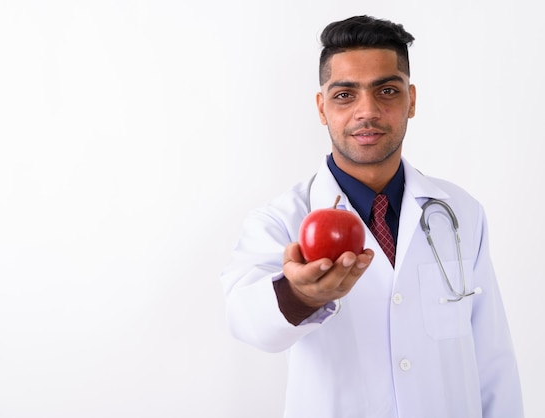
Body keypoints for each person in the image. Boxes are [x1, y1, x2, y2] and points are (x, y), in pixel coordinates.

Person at [220, 15, 523, 418]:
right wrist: (301, 296)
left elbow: (492, 357)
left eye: (387, 90)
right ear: (322, 107)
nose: (368, 111)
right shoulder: (282, 220)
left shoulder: (460, 212)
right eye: (345, 95)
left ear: (411, 100)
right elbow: (246, 319)